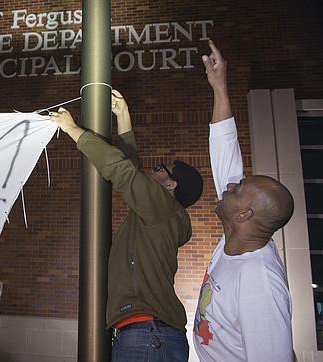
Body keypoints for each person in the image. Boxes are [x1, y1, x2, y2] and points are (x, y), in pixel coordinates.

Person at [50, 90, 204, 361]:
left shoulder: (163, 208)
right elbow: (129, 167)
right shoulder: (162, 215)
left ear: (171, 185)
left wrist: (73, 129)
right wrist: (123, 117)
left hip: (146, 336)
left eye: (160, 168)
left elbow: (123, 171)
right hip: (153, 334)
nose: (153, 170)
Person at [193, 40, 294, 361]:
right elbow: (226, 154)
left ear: (244, 215)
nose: (230, 186)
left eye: (238, 189)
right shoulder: (241, 237)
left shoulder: (260, 283)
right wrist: (220, 87)